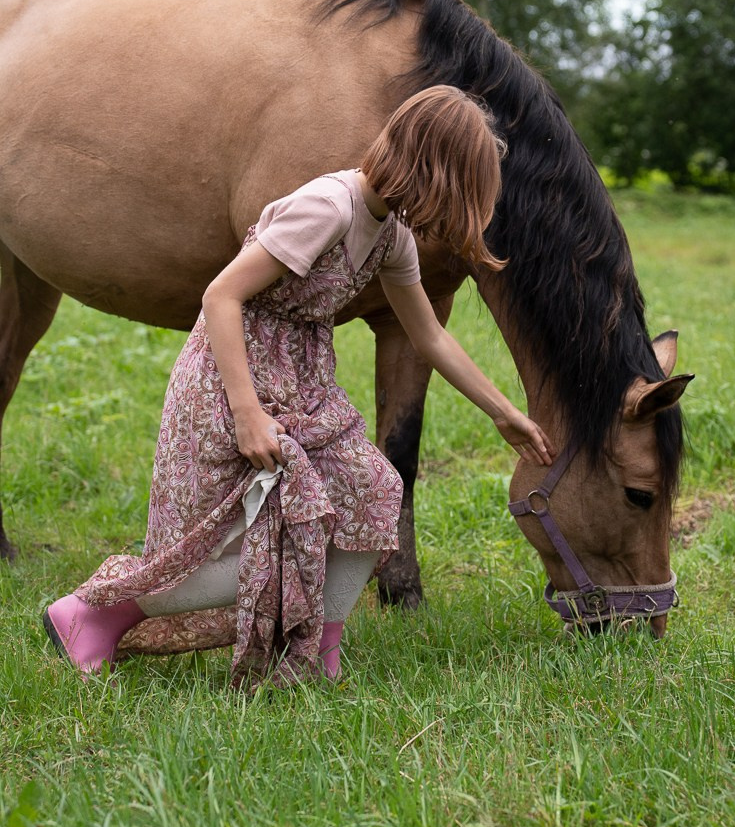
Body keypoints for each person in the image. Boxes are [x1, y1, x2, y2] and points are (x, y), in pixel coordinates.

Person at [43, 85, 553, 689]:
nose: (458, 212)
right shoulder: (329, 208)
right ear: (433, 172)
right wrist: (247, 415)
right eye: (462, 192)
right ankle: (96, 611)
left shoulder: (390, 232)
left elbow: (430, 337)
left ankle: (312, 657)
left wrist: (504, 413)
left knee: (374, 495)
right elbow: (222, 296)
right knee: (272, 537)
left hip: (304, 381)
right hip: (231, 375)